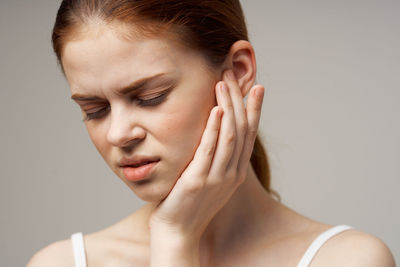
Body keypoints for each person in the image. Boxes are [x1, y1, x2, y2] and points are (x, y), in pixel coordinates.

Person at [28, 1, 395, 266]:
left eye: (149, 97)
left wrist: (176, 240)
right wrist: (174, 239)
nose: (119, 134)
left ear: (236, 70)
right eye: (95, 110)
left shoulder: (347, 259)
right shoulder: (63, 262)